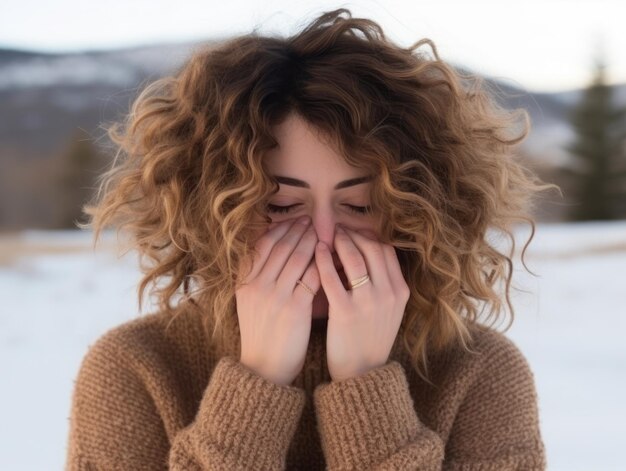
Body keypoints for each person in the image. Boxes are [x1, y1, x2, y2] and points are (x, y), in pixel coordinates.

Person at [66, 8, 552, 470]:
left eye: (360, 206)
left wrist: (367, 388)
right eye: (279, 207)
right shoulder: (136, 370)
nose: (323, 240)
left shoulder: (479, 374)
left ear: (417, 212)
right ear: (210, 212)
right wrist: (255, 385)